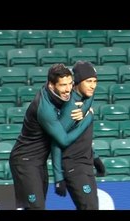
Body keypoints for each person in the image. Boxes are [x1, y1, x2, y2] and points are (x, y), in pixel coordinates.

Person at [9, 63, 94, 210]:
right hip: (25, 161)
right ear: (51, 85)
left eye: (70, 84)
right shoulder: (44, 108)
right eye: (63, 85)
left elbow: (89, 93)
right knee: (36, 207)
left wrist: (85, 109)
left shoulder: (58, 91)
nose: (68, 90)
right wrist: (87, 118)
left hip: (39, 162)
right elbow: (63, 140)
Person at [51, 61, 106, 210]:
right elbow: (56, 142)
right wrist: (58, 177)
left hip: (85, 166)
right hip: (74, 168)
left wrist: (95, 158)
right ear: (78, 81)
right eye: (89, 81)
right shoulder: (72, 108)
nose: (93, 85)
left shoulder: (84, 102)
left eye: (95, 81)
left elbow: (82, 138)